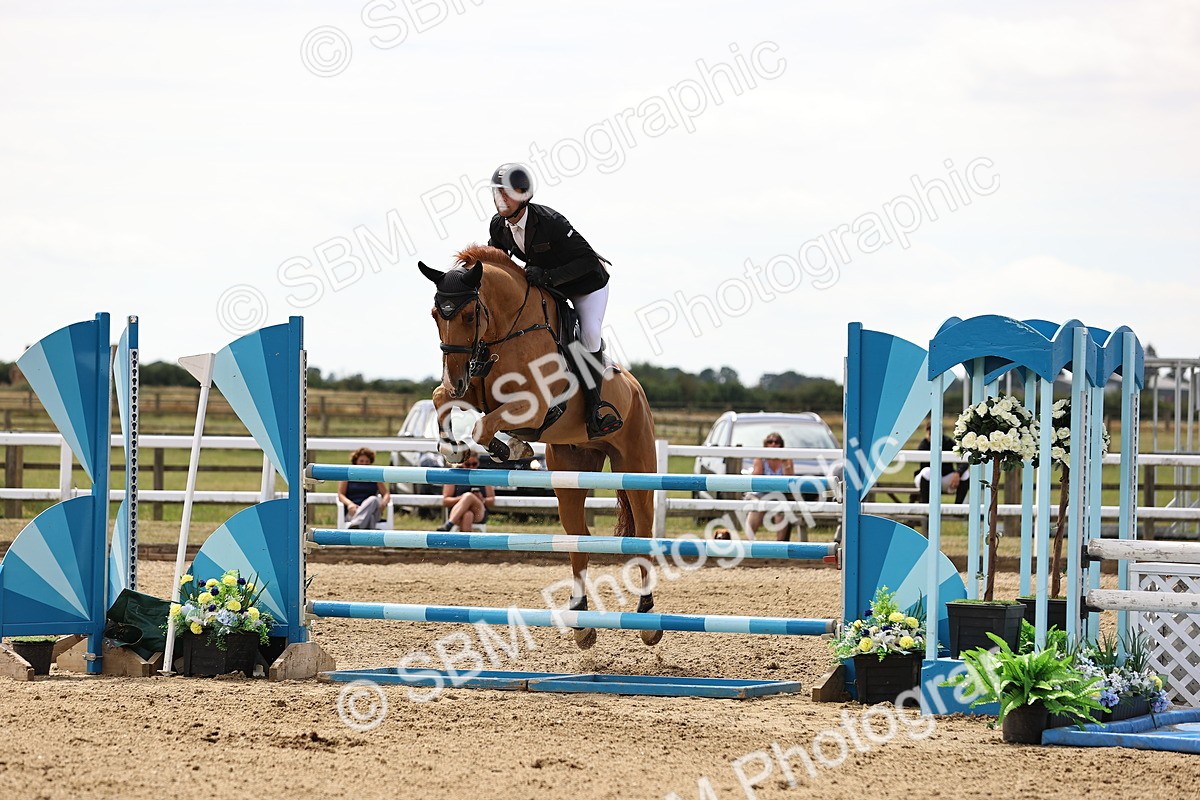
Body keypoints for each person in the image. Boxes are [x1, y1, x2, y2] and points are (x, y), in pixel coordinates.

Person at [486, 162, 622, 439]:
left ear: (524, 195)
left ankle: (596, 408)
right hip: (550, 287)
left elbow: (585, 260)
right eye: (497, 193)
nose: (501, 199)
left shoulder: (551, 222)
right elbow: (495, 262)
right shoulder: (499, 226)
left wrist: (548, 276)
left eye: (507, 193)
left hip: (586, 284)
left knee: (590, 333)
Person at [744, 432, 797, 541]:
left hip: (780, 495)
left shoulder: (787, 460)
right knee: (756, 508)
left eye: (776, 442)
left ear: (781, 445)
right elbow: (756, 480)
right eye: (770, 442)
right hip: (761, 494)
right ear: (766, 445)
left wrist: (785, 464)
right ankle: (750, 542)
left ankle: (780, 546)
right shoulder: (760, 459)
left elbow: (790, 482)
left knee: (781, 511)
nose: (773, 444)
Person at [436, 454, 495, 532]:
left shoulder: (484, 476)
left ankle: (449, 524)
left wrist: (482, 499)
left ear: (478, 462)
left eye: (474, 464)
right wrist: (462, 498)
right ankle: (466, 543)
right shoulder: (454, 476)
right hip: (458, 513)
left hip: (478, 511)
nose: (471, 467)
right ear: (462, 463)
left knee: (469, 496)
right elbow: (446, 501)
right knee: (468, 514)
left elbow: (492, 500)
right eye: (467, 464)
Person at [914, 422, 970, 503]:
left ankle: (957, 509)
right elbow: (921, 461)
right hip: (926, 480)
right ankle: (926, 507)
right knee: (927, 471)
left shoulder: (948, 442)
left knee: (965, 474)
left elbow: (963, 459)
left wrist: (958, 473)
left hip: (944, 478)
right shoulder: (924, 444)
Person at [338, 447, 391, 529]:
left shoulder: (374, 476)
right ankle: (365, 536)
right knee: (370, 518)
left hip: (372, 510)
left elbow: (386, 493)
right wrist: (350, 504)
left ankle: (357, 525)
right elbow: (341, 495)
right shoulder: (347, 476)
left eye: (367, 462)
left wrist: (383, 504)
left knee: (373, 499)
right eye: (361, 461)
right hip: (354, 511)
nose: (364, 464)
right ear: (355, 462)